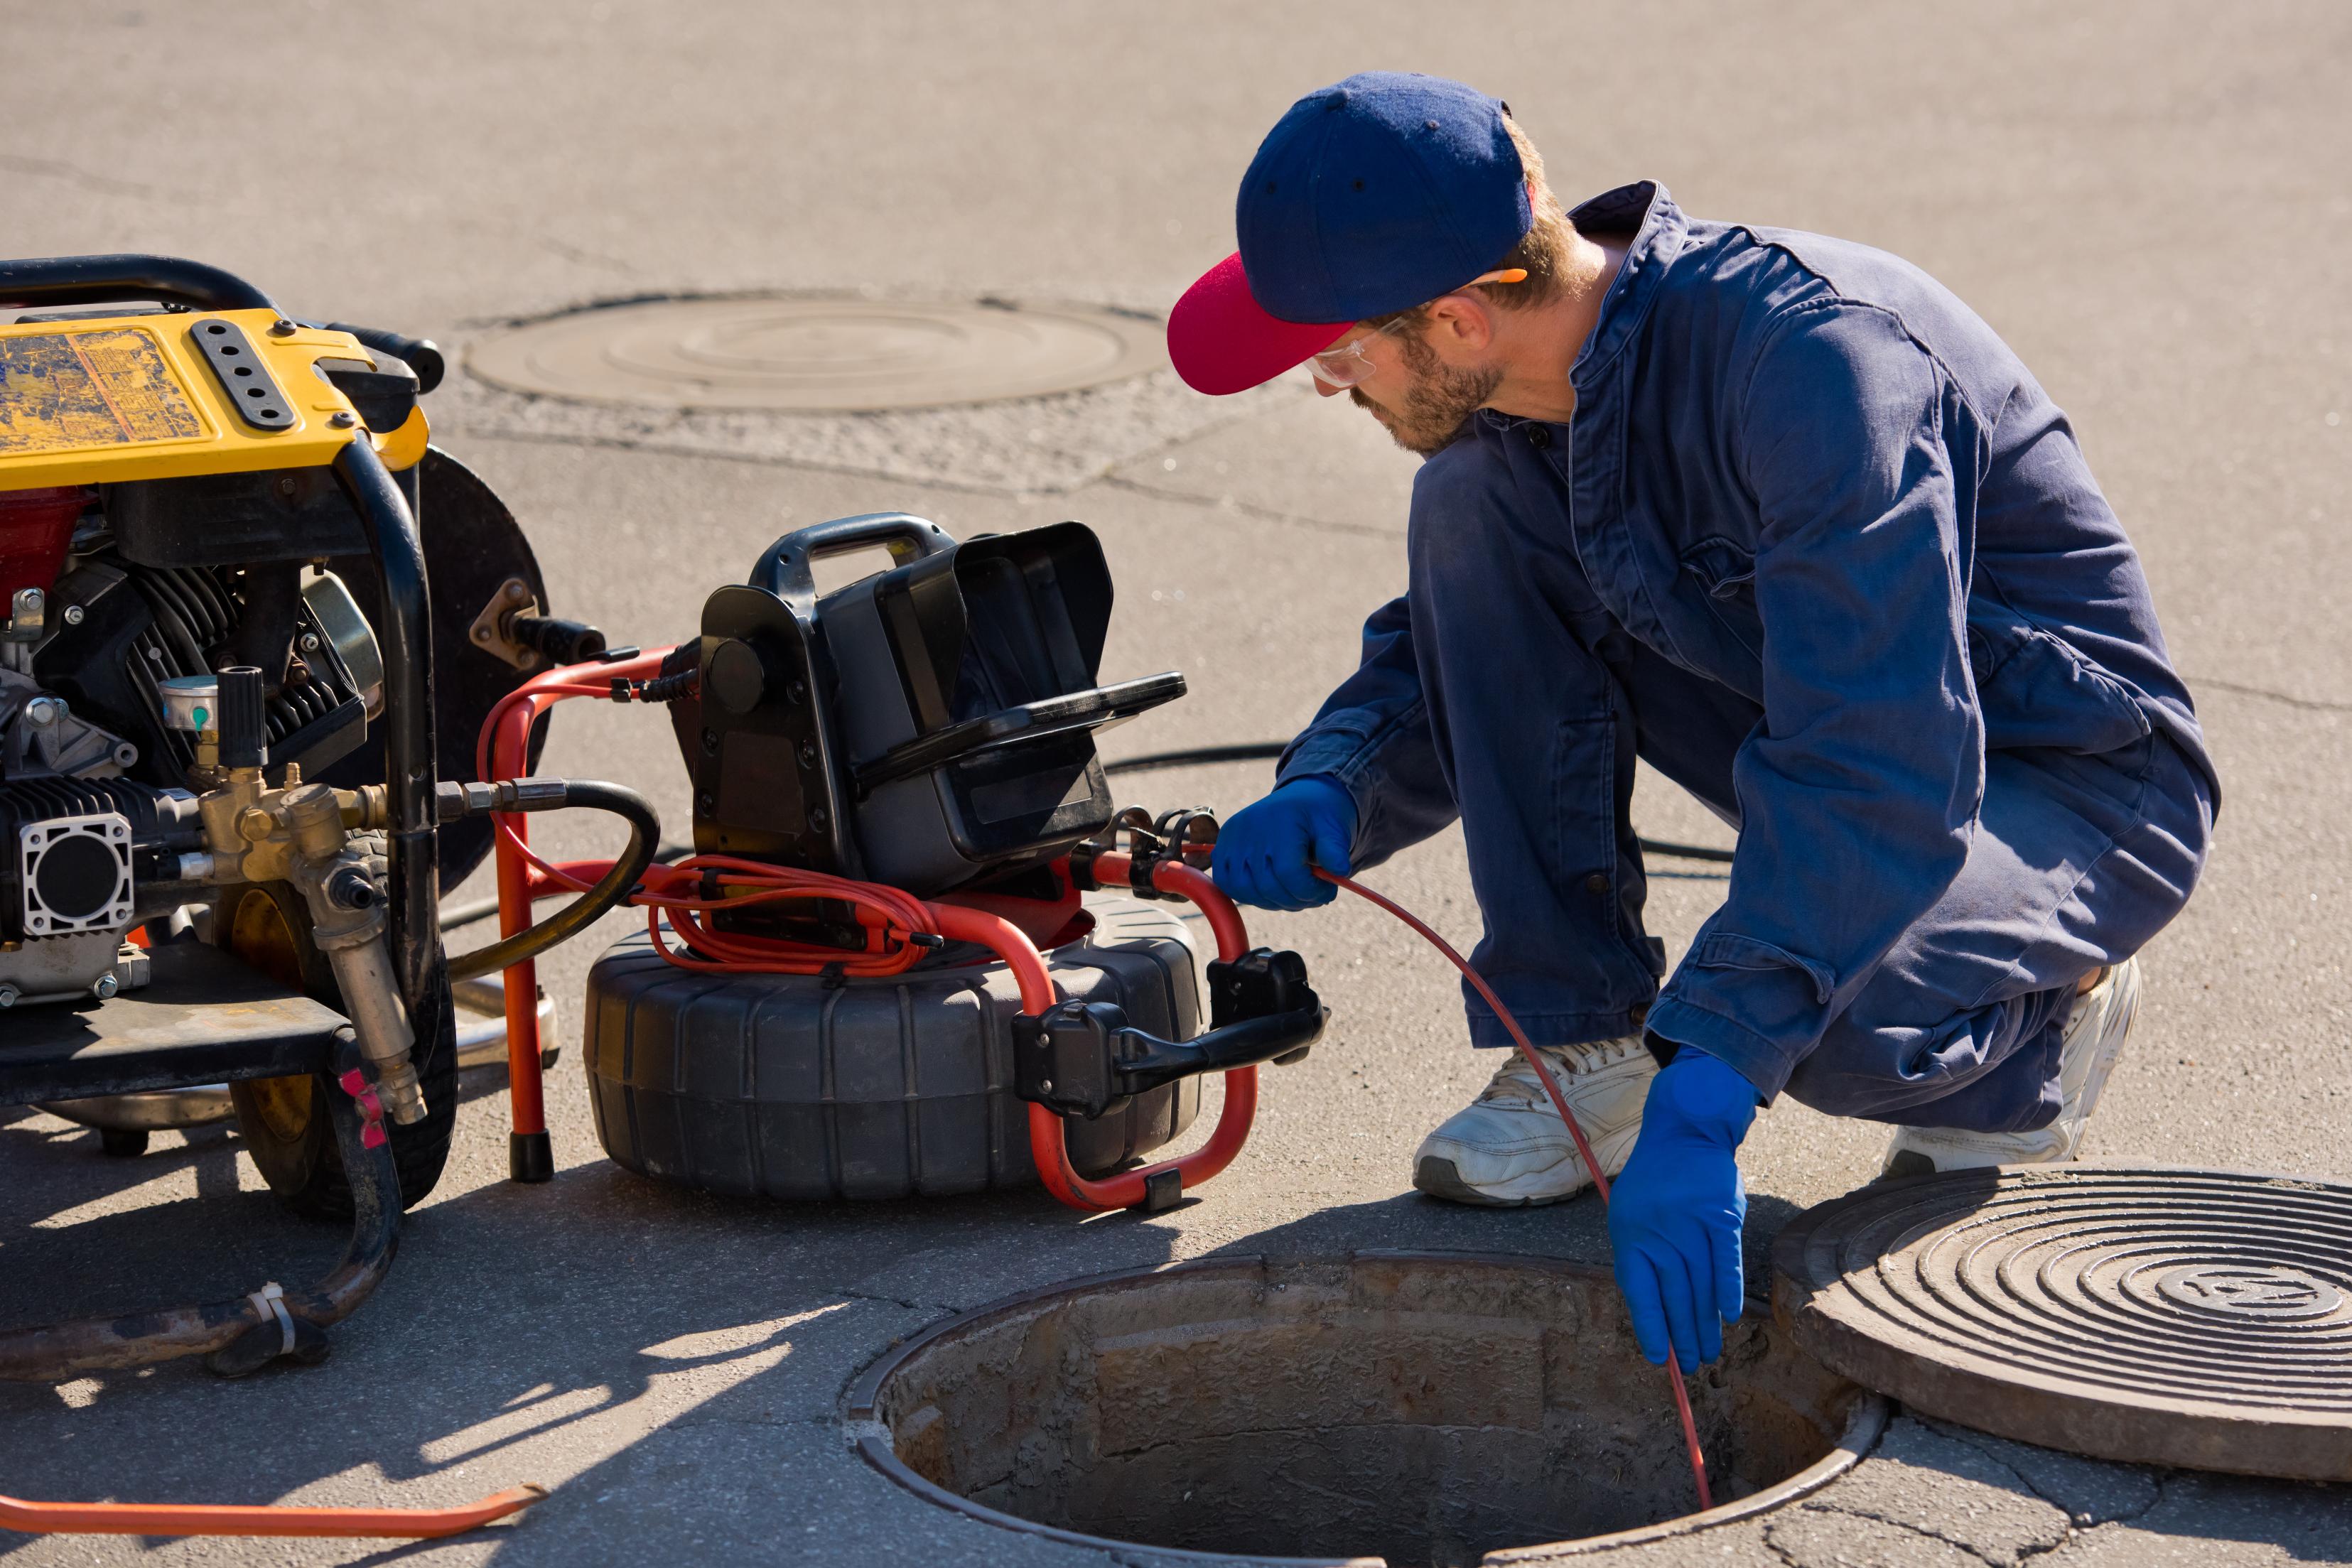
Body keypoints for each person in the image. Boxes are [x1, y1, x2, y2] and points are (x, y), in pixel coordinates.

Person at [1170, 72, 2217, 1374]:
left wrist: (1712, 1087)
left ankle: (2037, 1025)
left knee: (1818, 1022)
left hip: (2069, 784)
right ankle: (1583, 1047)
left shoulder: (1819, 369)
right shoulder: (1538, 385)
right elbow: (1482, 632)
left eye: (1337, 353)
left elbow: (1875, 757)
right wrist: (1338, 781)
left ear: (1453, 318)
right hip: (1829, 717)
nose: (1326, 386)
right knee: (1469, 507)